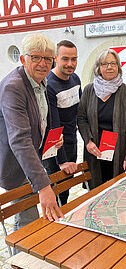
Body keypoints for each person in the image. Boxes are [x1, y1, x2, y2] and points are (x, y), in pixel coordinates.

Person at [0, 33, 64, 269]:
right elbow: (20, 139)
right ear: (23, 58)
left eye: (47, 58)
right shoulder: (13, 86)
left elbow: (37, 121)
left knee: (33, 221)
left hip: (32, 161)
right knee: (25, 222)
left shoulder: (41, 82)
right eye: (35, 57)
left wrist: (52, 138)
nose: (42, 63)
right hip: (15, 166)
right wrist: (44, 186)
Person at [78, 49, 126, 189]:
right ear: (98, 68)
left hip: (119, 154)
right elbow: (81, 118)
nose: (109, 67)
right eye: (105, 64)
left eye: (113, 63)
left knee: (118, 192)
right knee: (95, 192)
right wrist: (88, 141)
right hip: (95, 152)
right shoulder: (89, 90)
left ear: (118, 66)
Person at [43, 40, 81, 205]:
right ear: (55, 59)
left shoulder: (76, 79)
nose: (70, 64)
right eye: (65, 59)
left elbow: (78, 114)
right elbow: (54, 126)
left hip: (71, 144)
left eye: (73, 59)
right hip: (54, 150)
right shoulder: (49, 85)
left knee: (65, 192)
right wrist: (62, 160)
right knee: (56, 193)